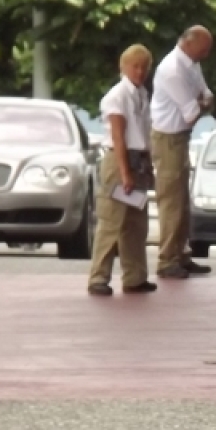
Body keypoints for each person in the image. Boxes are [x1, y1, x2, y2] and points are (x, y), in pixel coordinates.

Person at [87, 44, 156, 296]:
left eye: (143, 67)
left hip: (138, 160)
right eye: (134, 66)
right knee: (111, 221)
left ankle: (135, 276)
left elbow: (144, 133)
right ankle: (98, 277)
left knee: (136, 224)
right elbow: (118, 136)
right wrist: (125, 173)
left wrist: (147, 166)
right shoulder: (117, 96)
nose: (139, 72)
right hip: (120, 161)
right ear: (123, 67)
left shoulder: (141, 94)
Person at [150, 25, 216, 280]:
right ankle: (167, 258)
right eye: (204, 48)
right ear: (188, 44)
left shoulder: (191, 63)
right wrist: (202, 103)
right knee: (171, 202)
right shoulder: (173, 70)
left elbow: (206, 94)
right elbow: (191, 113)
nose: (206, 54)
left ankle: (181, 253)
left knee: (182, 201)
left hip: (179, 138)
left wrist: (202, 102)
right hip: (169, 139)